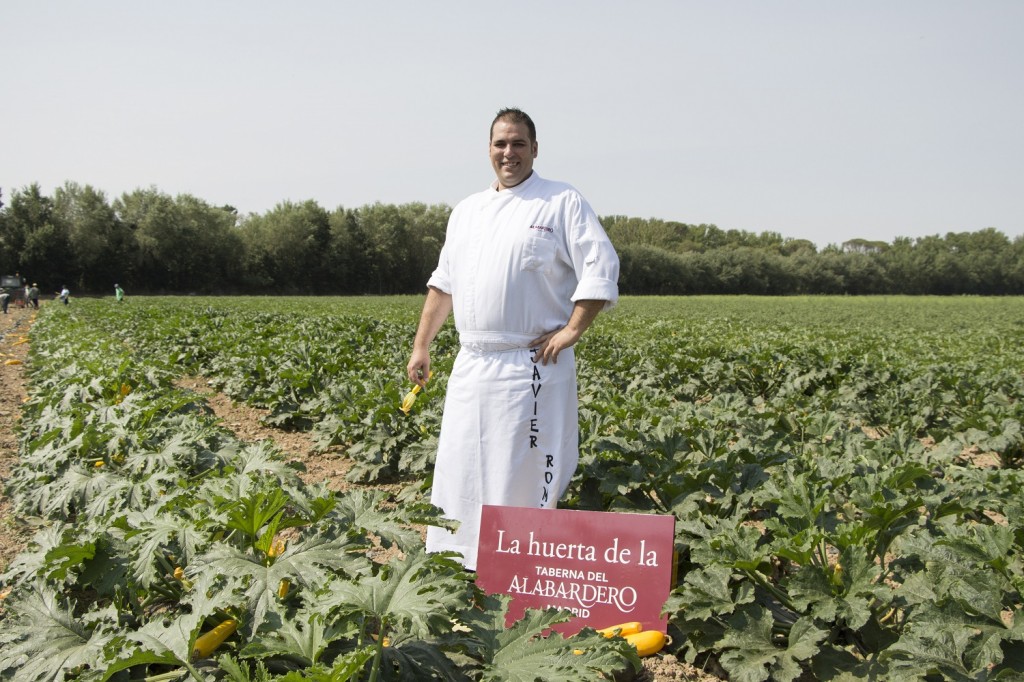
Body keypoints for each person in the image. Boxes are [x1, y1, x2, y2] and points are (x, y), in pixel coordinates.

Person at [406, 108, 620, 570]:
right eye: (501, 144)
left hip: (531, 366)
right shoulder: (466, 211)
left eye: (519, 143)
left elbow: (600, 268)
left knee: (522, 471)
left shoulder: (561, 201)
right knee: (463, 465)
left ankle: (518, 567)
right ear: (489, 150)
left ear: (535, 149)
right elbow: (443, 285)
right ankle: (459, 560)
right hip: (472, 364)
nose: (509, 152)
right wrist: (422, 344)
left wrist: (571, 330)